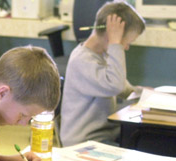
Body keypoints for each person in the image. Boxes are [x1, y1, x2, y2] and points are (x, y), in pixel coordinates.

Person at [60, 0, 146, 147]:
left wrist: (147, 94)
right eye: (125, 42)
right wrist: (115, 45)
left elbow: (125, 89)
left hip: (105, 136)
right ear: (110, 35)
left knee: (147, 140)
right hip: (84, 142)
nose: (125, 48)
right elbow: (115, 86)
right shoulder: (82, 60)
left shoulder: (102, 55)